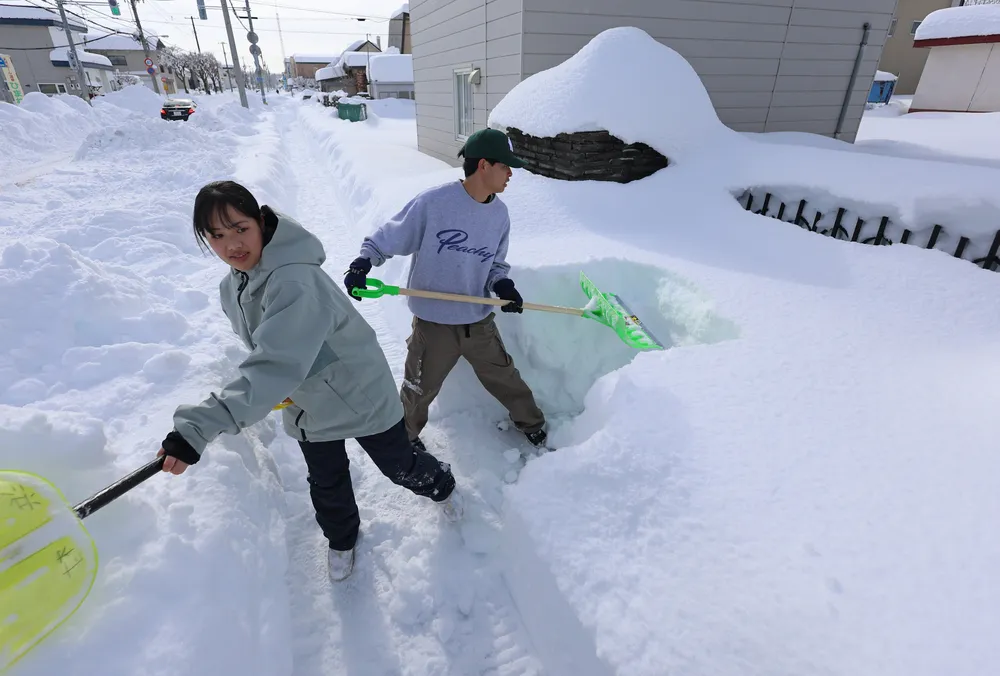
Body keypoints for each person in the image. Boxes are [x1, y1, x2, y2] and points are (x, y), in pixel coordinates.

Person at [155, 180, 463, 583]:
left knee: (399, 466)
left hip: (359, 395)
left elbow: (274, 364)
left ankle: (442, 486)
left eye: (240, 228)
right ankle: (342, 539)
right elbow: (272, 352)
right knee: (326, 480)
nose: (231, 245)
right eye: (216, 235)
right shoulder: (234, 285)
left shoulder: (294, 281)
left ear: (261, 222)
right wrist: (285, 381)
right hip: (307, 405)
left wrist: (197, 428)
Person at [344, 128, 547, 452]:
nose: (510, 173)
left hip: (477, 323)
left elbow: (495, 263)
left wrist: (503, 284)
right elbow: (390, 236)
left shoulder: (499, 214)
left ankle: (533, 424)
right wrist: (363, 263)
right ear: (484, 165)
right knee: (417, 388)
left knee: (506, 377)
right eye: (505, 166)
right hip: (433, 324)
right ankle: (405, 440)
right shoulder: (434, 203)